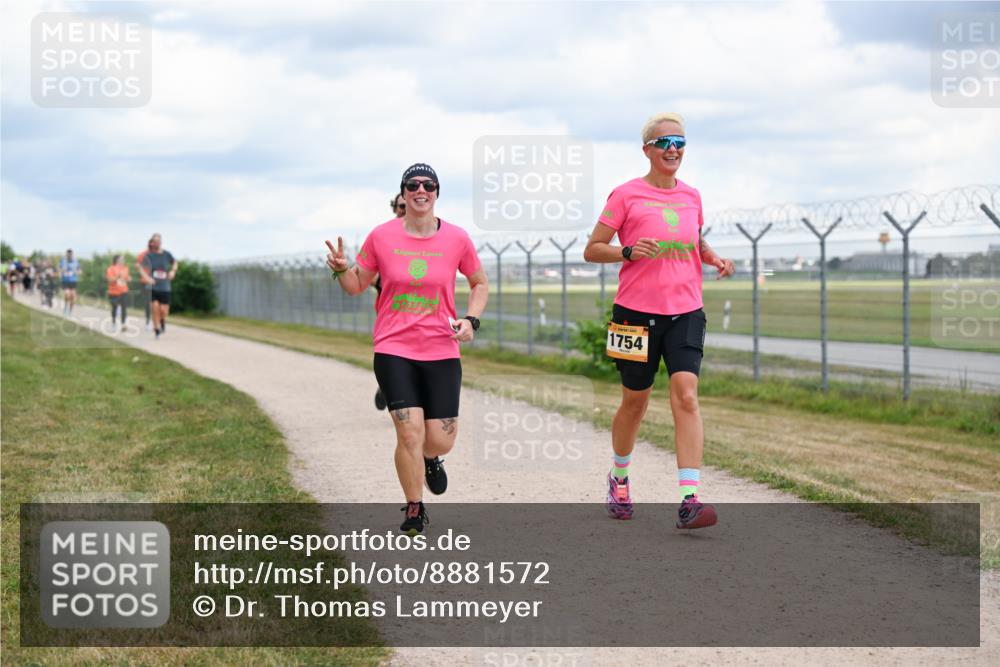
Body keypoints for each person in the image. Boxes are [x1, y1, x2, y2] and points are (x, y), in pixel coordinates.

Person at [583, 112, 735, 530]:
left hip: (686, 310)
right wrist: (627, 251)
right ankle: (620, 478)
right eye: (664, 142)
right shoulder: (626, 195)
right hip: (634, 315)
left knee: (686, 394)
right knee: (636, 400)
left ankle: (689, 498)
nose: (673, 150)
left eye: (680, 142)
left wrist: (713, 257)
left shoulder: (692, 196)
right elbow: (593, 249)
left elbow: (693, 238)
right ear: (647, 149)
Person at [325, 163, 488, 534]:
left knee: (439, 439)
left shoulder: (457, 238)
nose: (420, 190)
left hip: (442, 348)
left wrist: (470, 320)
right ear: (403, 192)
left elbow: (479, 283)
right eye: (413, 184)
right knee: (409, 432)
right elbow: (356, 284)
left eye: (428, 185)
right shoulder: (381, 237)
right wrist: (340, 269)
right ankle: (414, 507)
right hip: (394, 347)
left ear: (436, 192)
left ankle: (431, 459)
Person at [372, 193, 408, 412]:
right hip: (390, 309)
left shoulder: (425, 233)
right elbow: (365, 272)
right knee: (395, 353)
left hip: (420, 307)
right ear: (394, 208)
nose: (404, 210)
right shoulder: (384, 235)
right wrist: (382, 283)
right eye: (401, 206)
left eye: (407, 205)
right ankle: (388, 384)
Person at [139, 234, 177, 339]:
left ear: (160, 242)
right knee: (154, 308)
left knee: (163, 311)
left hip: (165, 287)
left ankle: (162, 320)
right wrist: (147, 278)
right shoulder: (149, 256)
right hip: (153, 287)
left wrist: (173, 271)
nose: (156, 243)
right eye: (154, 241)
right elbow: (141, 268)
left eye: (158, 241)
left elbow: (175, 263)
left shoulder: (167, 254)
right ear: (152, 243)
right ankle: (156, 330)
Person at [136, 237, 157, 330]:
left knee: (156, 303)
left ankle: (156, 321)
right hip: (146, 282)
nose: (155, 245)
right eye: (153, 243)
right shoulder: (143, 254)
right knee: (148, 302)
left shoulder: (159, 255)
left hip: (157, 282)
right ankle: (148, 322)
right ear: (149, 244)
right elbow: (137, 266)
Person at [106, 254, 130, 330]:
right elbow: (110, 280)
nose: (123, 260)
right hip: (113, 292)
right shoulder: (111, 268)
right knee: (114, 308)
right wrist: (117, 277)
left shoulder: (126, 268)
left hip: (124, 290)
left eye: (123, 259)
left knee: (124, 308)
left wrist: (128, 279)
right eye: (121, 259)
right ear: (117, 260)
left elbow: (127, 278)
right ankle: (114, 323)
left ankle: (123, 324)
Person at [59, 250, 81, 315]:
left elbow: (79, 271)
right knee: (67, 295)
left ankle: (70, 311)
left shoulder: (76, 261)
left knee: (73, 297)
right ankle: (66, 307)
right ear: (66, 254)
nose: (69, 256)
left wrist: (76, 272)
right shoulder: (63, 261)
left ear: (72, 255)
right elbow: (59, 269)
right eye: (68, 254)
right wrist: (63, 271)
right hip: (65, 281)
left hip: (73, 281)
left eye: (71, 255)